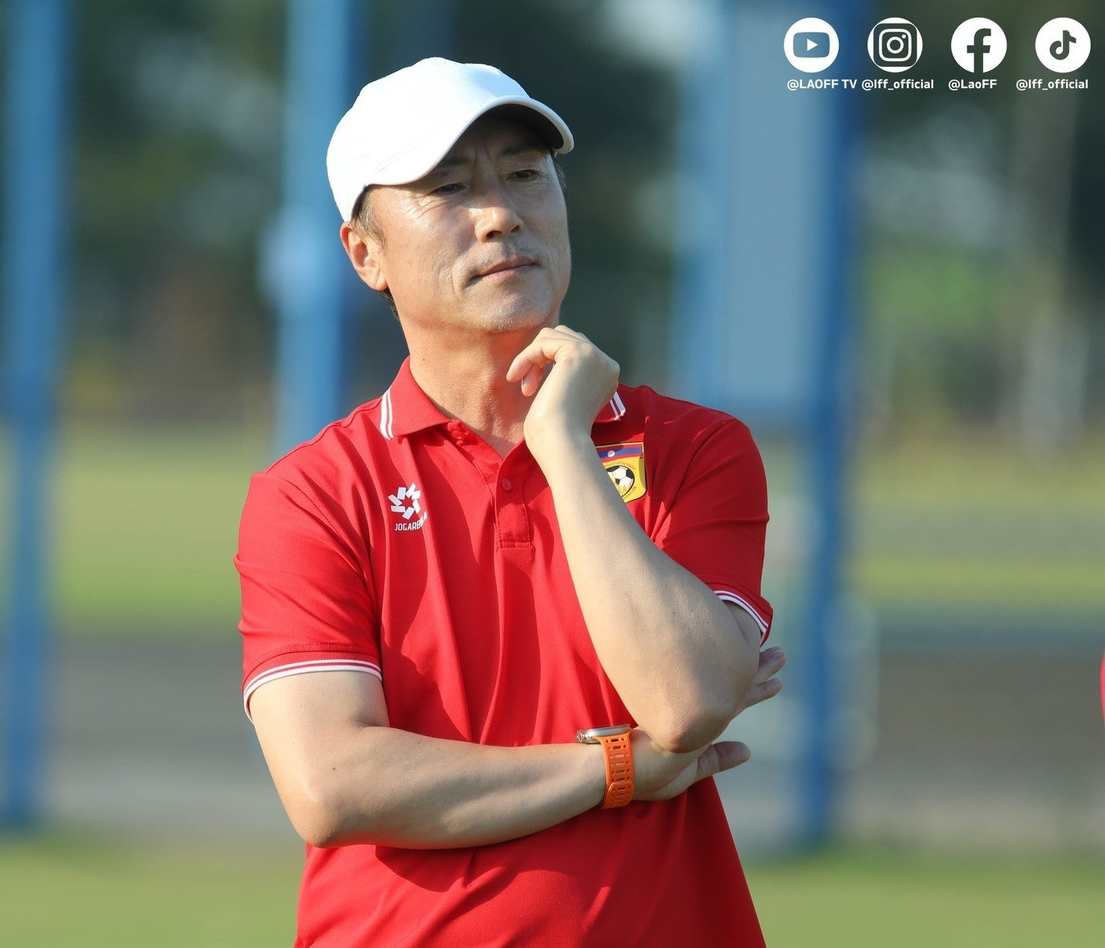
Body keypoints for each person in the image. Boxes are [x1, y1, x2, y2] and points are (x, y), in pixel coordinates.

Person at [236, 57, 785, 946]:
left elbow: (687, 701)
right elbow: (333, 786)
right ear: (366, 254)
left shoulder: (695, 449)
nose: (501, 214)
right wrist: (617, 768)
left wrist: (563, 442)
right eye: (449, 188)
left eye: (526, 175)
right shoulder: (314, 493)